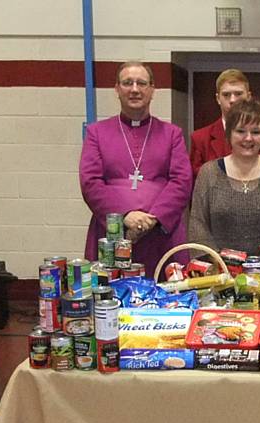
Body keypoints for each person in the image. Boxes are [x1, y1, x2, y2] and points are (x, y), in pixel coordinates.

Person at [79, 61, 193, 279]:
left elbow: (181, 181)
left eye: (141, 83)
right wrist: (125, 215)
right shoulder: (97, 133)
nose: (134, 89)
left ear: (152, 90)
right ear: (117, 89)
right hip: (114, 233)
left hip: (161, 234)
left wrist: (153, 218)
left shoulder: (171, 134)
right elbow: (90, 182)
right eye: (127, 83)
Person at [188, 99, 260, 255]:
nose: (248, 138)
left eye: (255, 132)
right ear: (229, 134)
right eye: (240, 131)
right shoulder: (208, 173)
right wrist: (215, 267)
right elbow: (198, 226)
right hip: (220, 275)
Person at [189, 69, 260, 179]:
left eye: (238, 94)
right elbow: (198, 183)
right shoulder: (200, 139)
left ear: (248, 96)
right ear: (218, 98)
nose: (232, 100)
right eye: (226, 95)